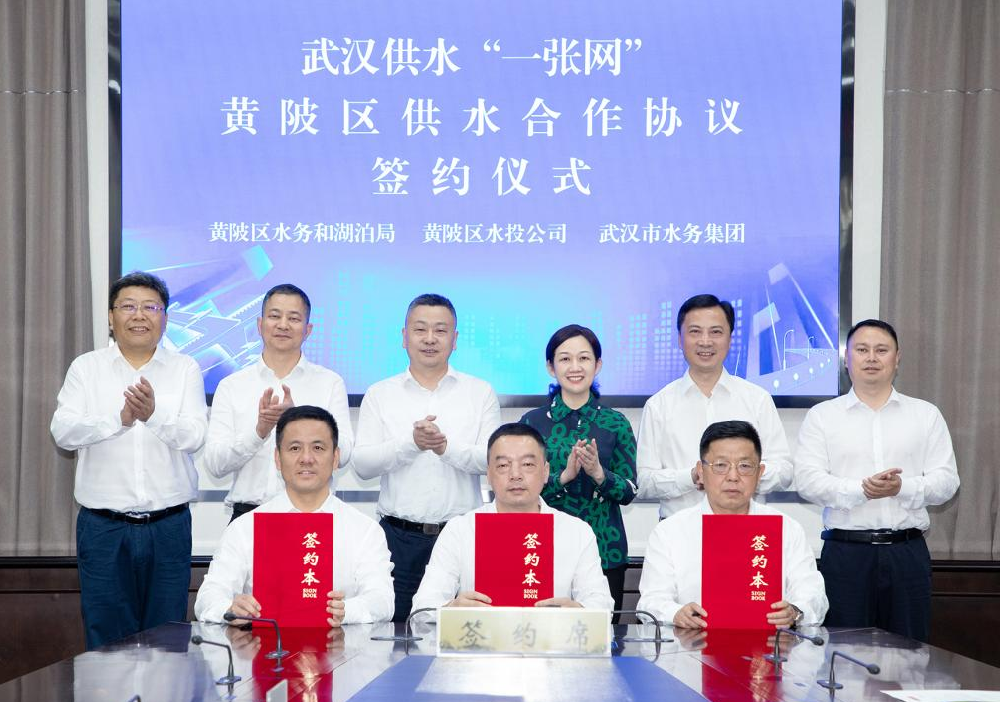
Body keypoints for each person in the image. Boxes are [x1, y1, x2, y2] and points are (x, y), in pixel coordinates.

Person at [51, 271, 208, 649]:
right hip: (104, 528)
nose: (139, 315)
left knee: (168, 639)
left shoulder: (184, 368)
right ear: (111, 316)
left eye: (151, 307)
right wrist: (118, 420)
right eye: (128, 307)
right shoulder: (86, 368)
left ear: (165, 318)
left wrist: (154, 415)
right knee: (107, 641)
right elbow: (63, 432)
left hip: (168, 527)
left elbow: (195, 436)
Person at [794, 319, 959, 641]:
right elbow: (808, 481)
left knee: (910, 652)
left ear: (897, 359)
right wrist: (861, 490)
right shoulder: (823, 416)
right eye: (862, 349)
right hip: (846, 554)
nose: (871, 357)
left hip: (906, 553)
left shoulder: (925, 414)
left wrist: (902, 487)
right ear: (847, 359)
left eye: (881, 350)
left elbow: (947, 482)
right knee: (844, 652)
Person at [352, 294, 502, 620]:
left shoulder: (480, 393)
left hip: (463, 536)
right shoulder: (380, 393)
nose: (430, 339)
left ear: (455, 339)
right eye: (420, 329)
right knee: (395, 632)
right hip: (398, 539)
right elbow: (362, 465)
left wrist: (445, 448)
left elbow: (493, 461)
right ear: (404, 336)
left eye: (440, 330)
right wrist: (412, 444)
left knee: (464, 631)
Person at [194, 405, 394, 626]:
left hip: (343, 645)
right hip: (263, 646)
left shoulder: (364, 530)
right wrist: (230, 609)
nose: (306, 458)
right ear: (278, 459)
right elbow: (207, 598)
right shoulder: (245, 528)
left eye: (318, 448)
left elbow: (382, 600)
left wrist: (346, 610)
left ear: (336, 457)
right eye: (295, 448)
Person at [637, 420, 827, 629]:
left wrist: (796, 611)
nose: (733, 477)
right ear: (701, 471)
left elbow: (813, 595)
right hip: (690, 644)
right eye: (720, 465)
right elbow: (651, 600)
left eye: (745, 466)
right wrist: (675, 613)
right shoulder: (670, 532)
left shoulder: (786, 528)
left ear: (760, 473)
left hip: (768, 646)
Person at [410, 423, 614, 613]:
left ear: (546, 472)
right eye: (503, 465)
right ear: (489, 474)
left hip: (553, 639)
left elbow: (601, 603)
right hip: (480, 639)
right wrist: (451, 609)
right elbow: (423, 607)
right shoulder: (460, 530)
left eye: (527, 464)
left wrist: (578, 611)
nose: (515, 474)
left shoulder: (576, 531)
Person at [200, 283, 353, 522]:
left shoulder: (330, 383)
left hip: (310, 516)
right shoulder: (231, 385)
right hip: (249, 516)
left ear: (308, 330)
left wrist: (299, 422)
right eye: (274, 316)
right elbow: (215, 464)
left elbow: (343, 454)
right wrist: (259, 432)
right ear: (260, 325)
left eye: (294, 318)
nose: (283, 325)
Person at [636, 294, 793, 519]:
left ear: (730, 339)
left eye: (716, 332)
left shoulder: (757, 399)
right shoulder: (659, 405)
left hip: (745, 528)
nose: (705, 341)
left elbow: (784, 471)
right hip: (679, 529)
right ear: (680, 339)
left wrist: (743, 473)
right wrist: (692, 476)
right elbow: (644, 482)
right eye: (695, 331)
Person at [519, 324, 636, 617]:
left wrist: (599, 473)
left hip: (604, 549)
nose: (575, 367)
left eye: (584, 358)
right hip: (542, 547)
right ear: (551, 367)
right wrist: (563, 478)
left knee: (602, 633)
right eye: (565, 359)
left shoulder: (616, 423)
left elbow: (629, 491)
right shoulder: (531, 423)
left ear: (598, 365)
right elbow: (519, 489)